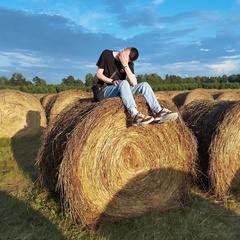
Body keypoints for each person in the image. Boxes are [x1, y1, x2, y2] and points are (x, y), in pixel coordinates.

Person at [95, 47, 178, 126]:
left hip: (122, 89)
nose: (124, 58)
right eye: (125, 54)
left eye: (127, 58)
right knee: (124, 83)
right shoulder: (106, 54)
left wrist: (125, 65)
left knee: (144, 85)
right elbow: (98, 74)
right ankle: (135, 115)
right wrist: (112, 81)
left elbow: (134, 83)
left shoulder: (129, 63)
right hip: (106, 89)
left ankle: (158, 111)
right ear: (124, 49)